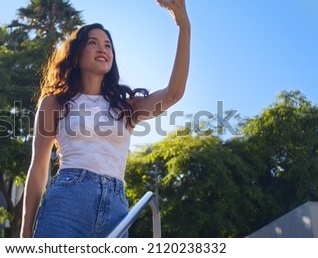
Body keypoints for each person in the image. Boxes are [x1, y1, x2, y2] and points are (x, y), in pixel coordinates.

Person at [20, 0, 190, 238]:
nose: (102, 48)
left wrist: (184, 28)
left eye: (107, 45)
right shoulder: (54, 102)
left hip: (116, 209)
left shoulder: (126, 107)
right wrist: (25, 233)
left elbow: (174, 93)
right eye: (93, 43)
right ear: (76, 56)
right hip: (66, 204)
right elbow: (38, 168)